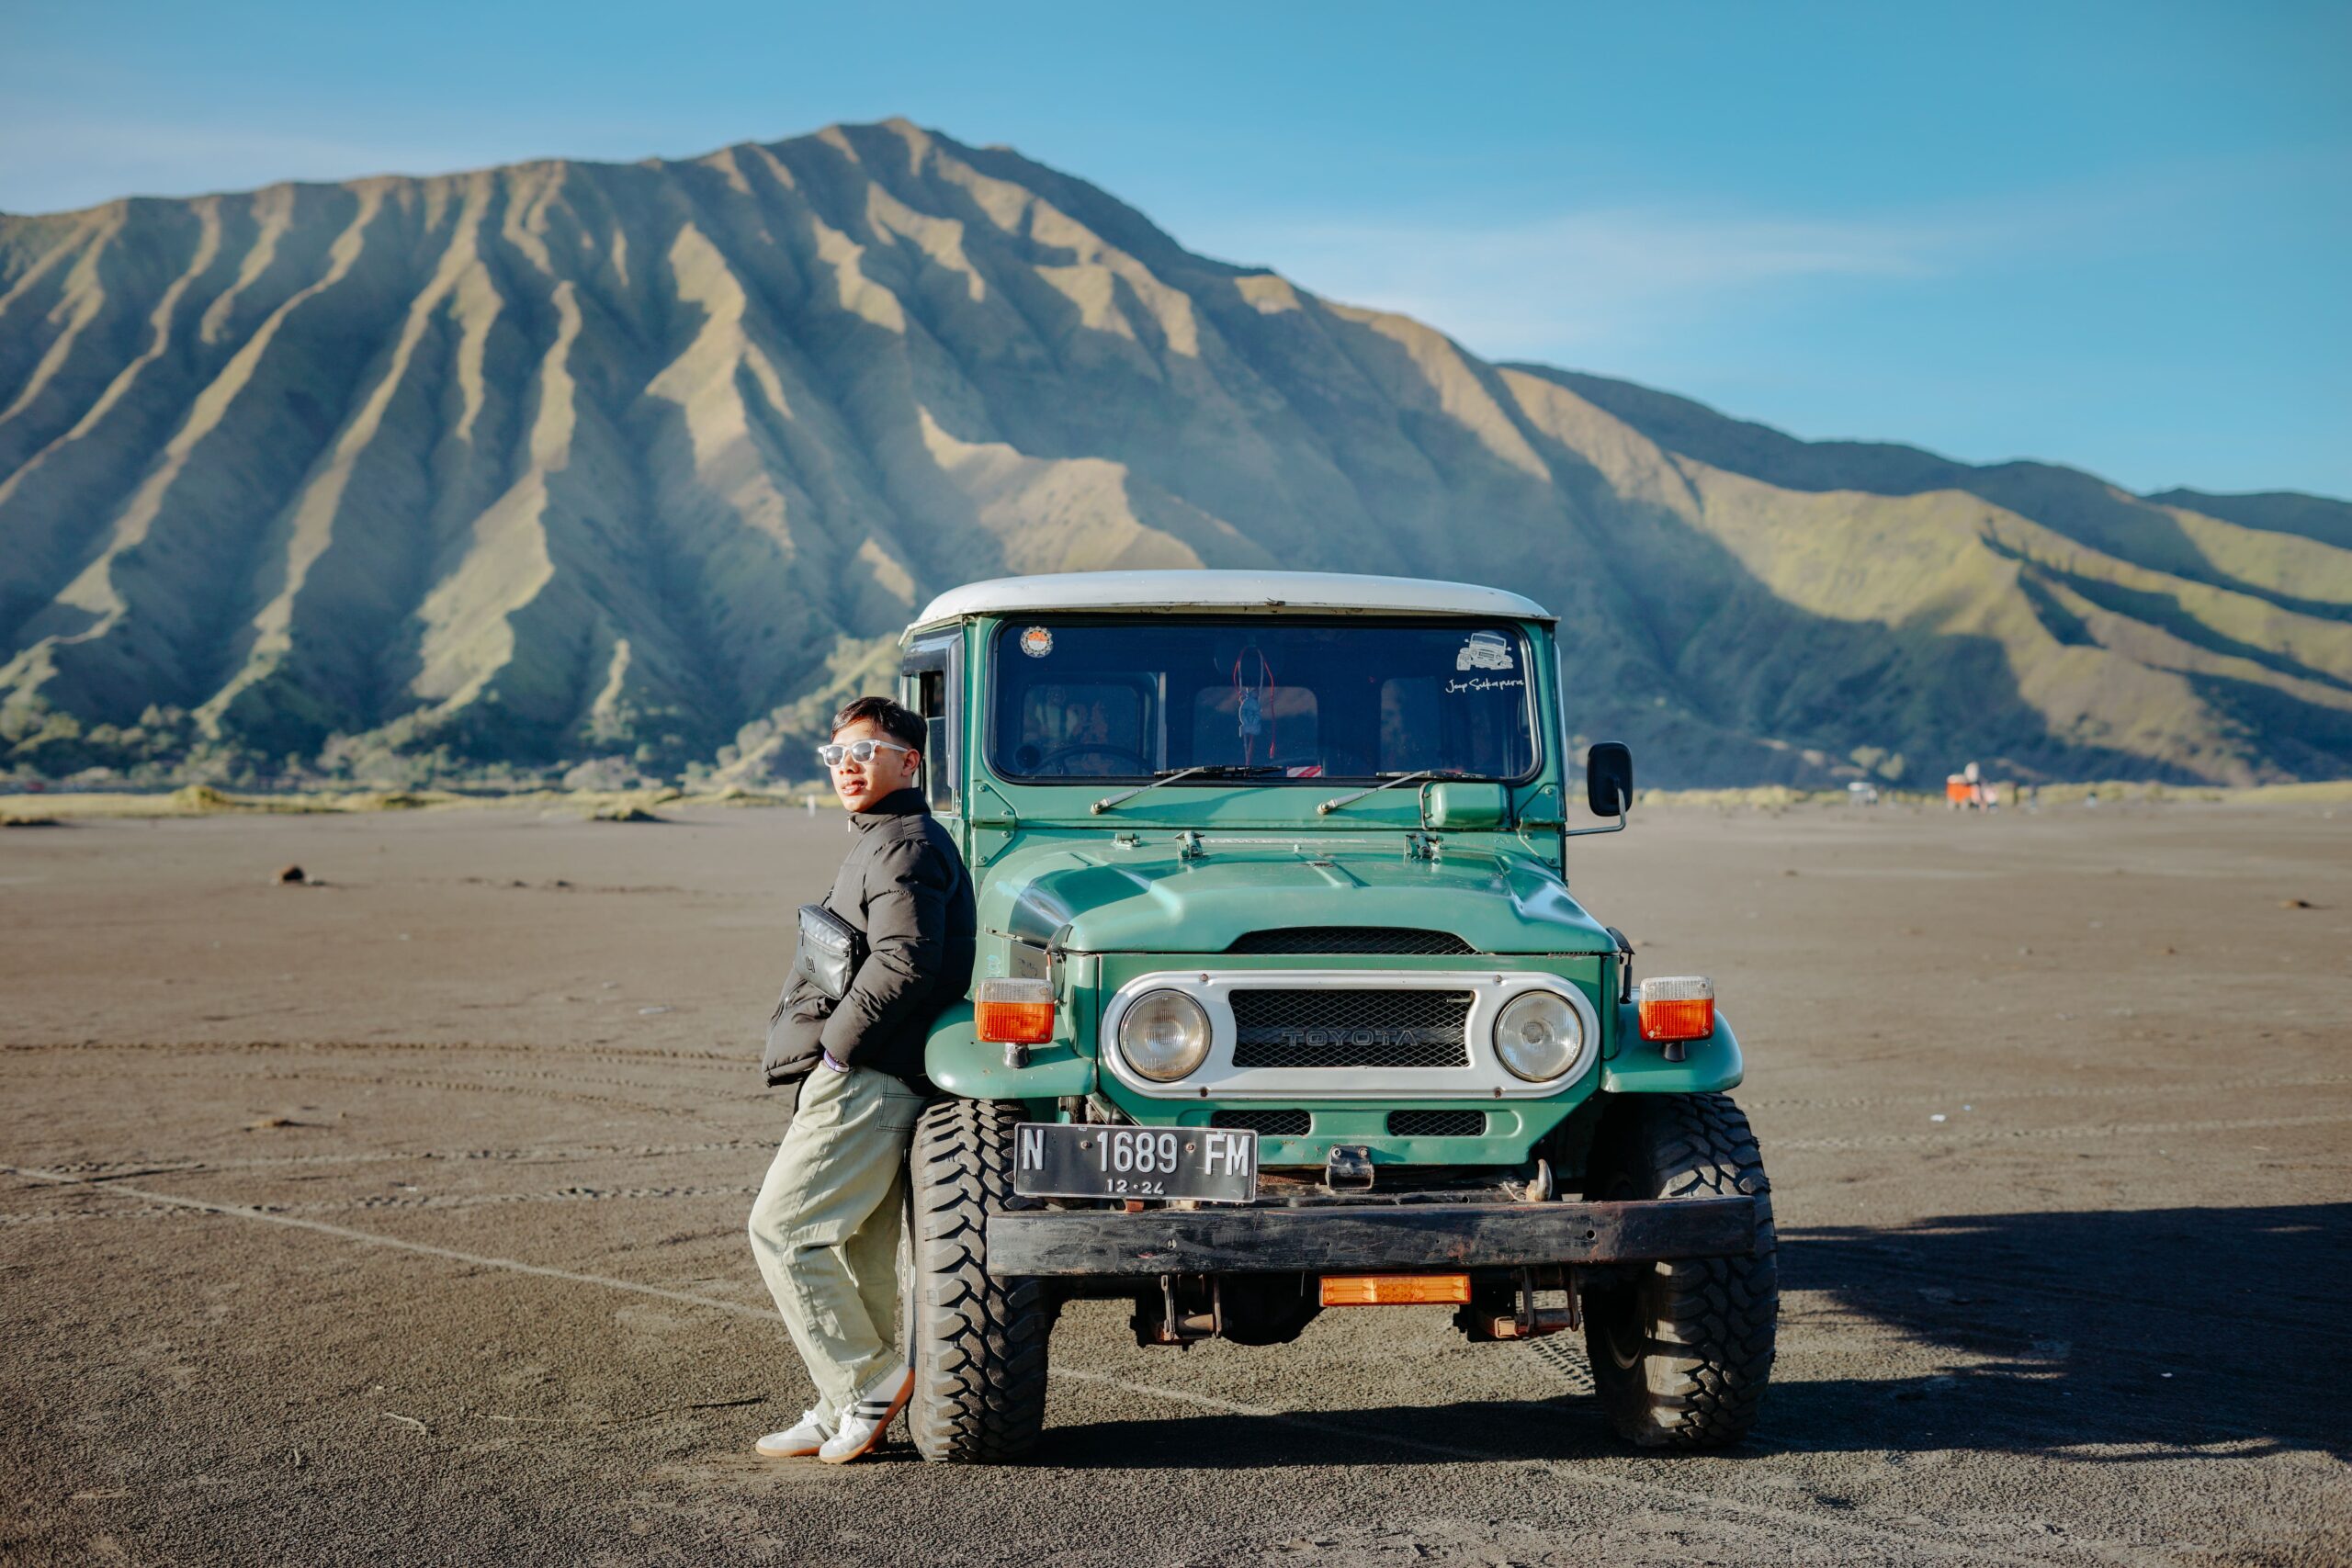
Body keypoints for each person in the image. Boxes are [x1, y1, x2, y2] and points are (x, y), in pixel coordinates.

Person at [747, 695, 976, 1464]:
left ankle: (867, 1379)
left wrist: (837, 1050)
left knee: (782, 1230)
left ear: (909, 761)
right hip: (879, 1070)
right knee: (859, 1249)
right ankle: (844, 1405)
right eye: (836, 754)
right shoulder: (887, 839)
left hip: (868, 1076)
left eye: (865, 751)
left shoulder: (904, 845)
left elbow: (905, 959)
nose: (847, 765)